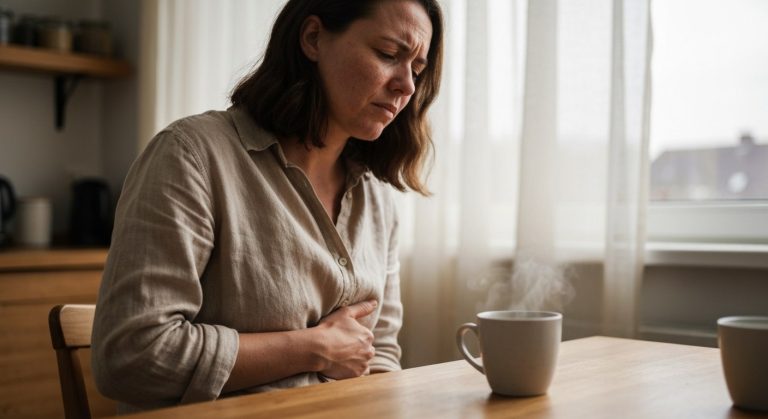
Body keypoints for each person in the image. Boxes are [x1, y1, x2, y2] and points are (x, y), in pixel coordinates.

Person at [91, 0, 444, 413]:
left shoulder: (376, 197)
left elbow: (379, 354)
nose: (406, 85)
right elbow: (131, 356)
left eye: (417, 70)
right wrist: (313, 349)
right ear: (313, 38)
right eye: (388, 55)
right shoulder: (192, 156)